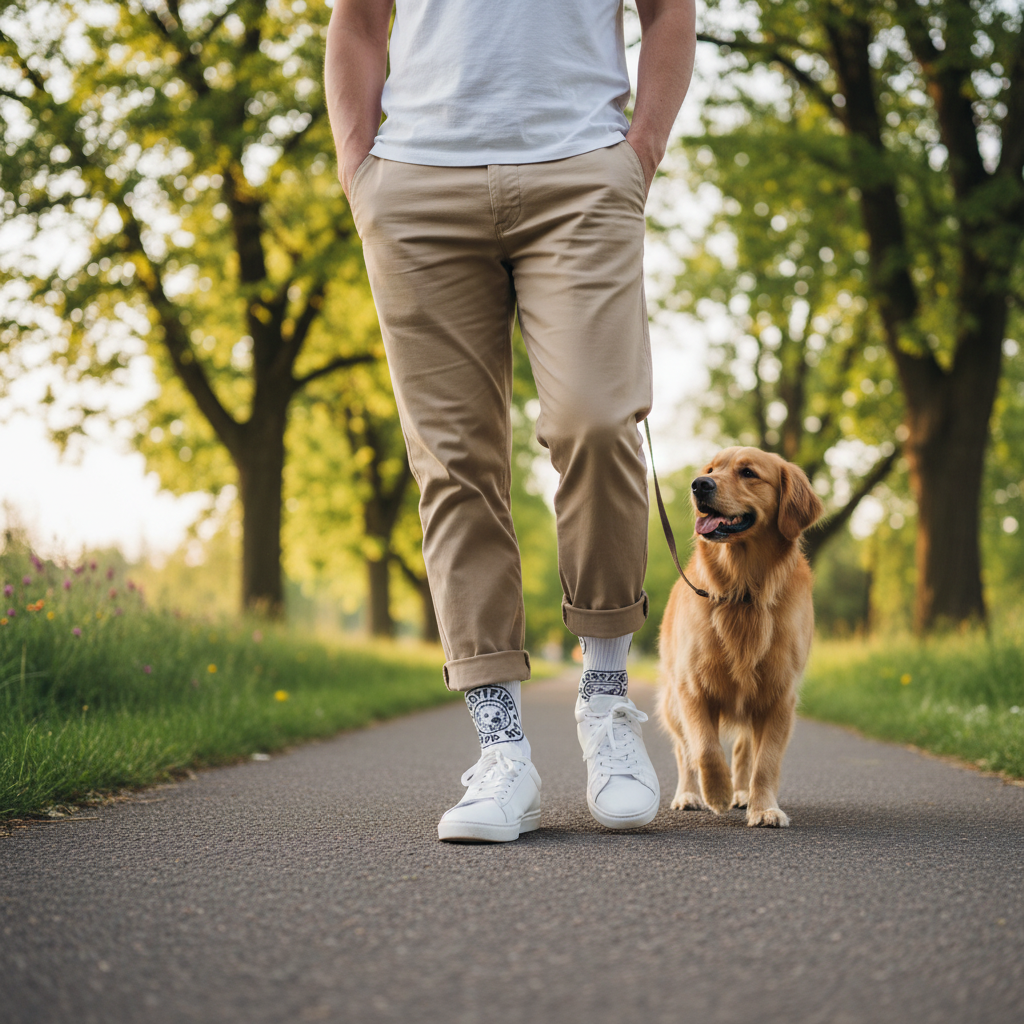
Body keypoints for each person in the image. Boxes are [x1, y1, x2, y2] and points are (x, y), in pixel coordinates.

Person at [325, 0, 696, 842]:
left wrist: (639, 153)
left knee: (598, 425)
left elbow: (670, 11)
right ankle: (503, 753)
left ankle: (606, 702)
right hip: (415, 184)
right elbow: (357, 21)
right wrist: (360, 171)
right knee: (455, 466)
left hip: (582, 171)